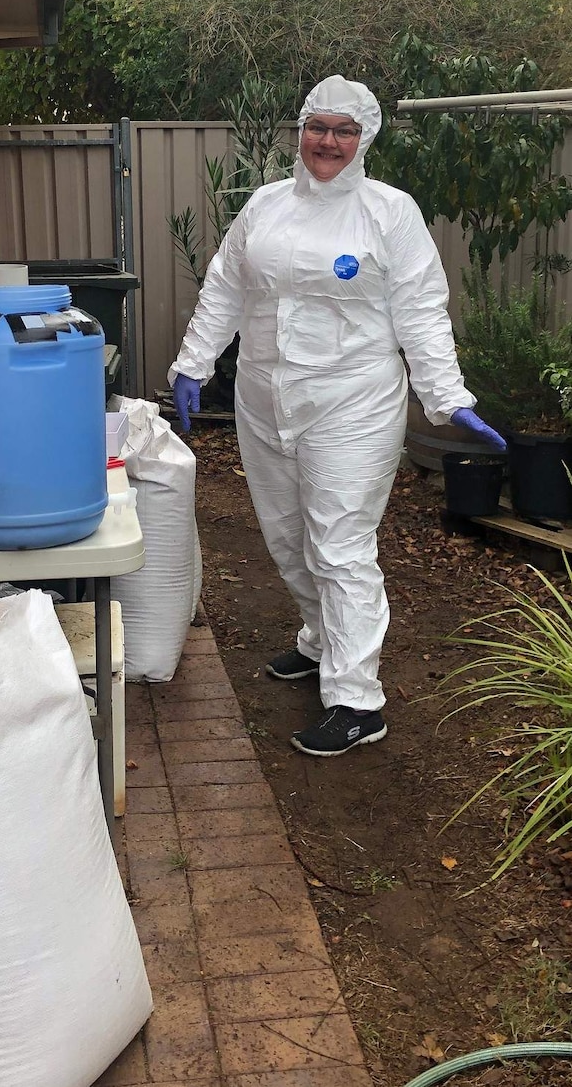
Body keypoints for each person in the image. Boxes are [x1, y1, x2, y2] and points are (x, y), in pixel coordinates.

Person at [169, 75, 505, 758]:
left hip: (352, 404)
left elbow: (419, 308)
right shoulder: (264, 207)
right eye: (318, 126)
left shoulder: (389, 213)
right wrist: (193, 364)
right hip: (264, 400)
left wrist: (447, 395)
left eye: (343, 130)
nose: (328, 141)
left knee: (340, 545)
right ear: (301, 132)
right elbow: (226, 285)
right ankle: (320, 641)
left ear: (365, 138)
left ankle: (356, 698)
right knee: (288, 536)